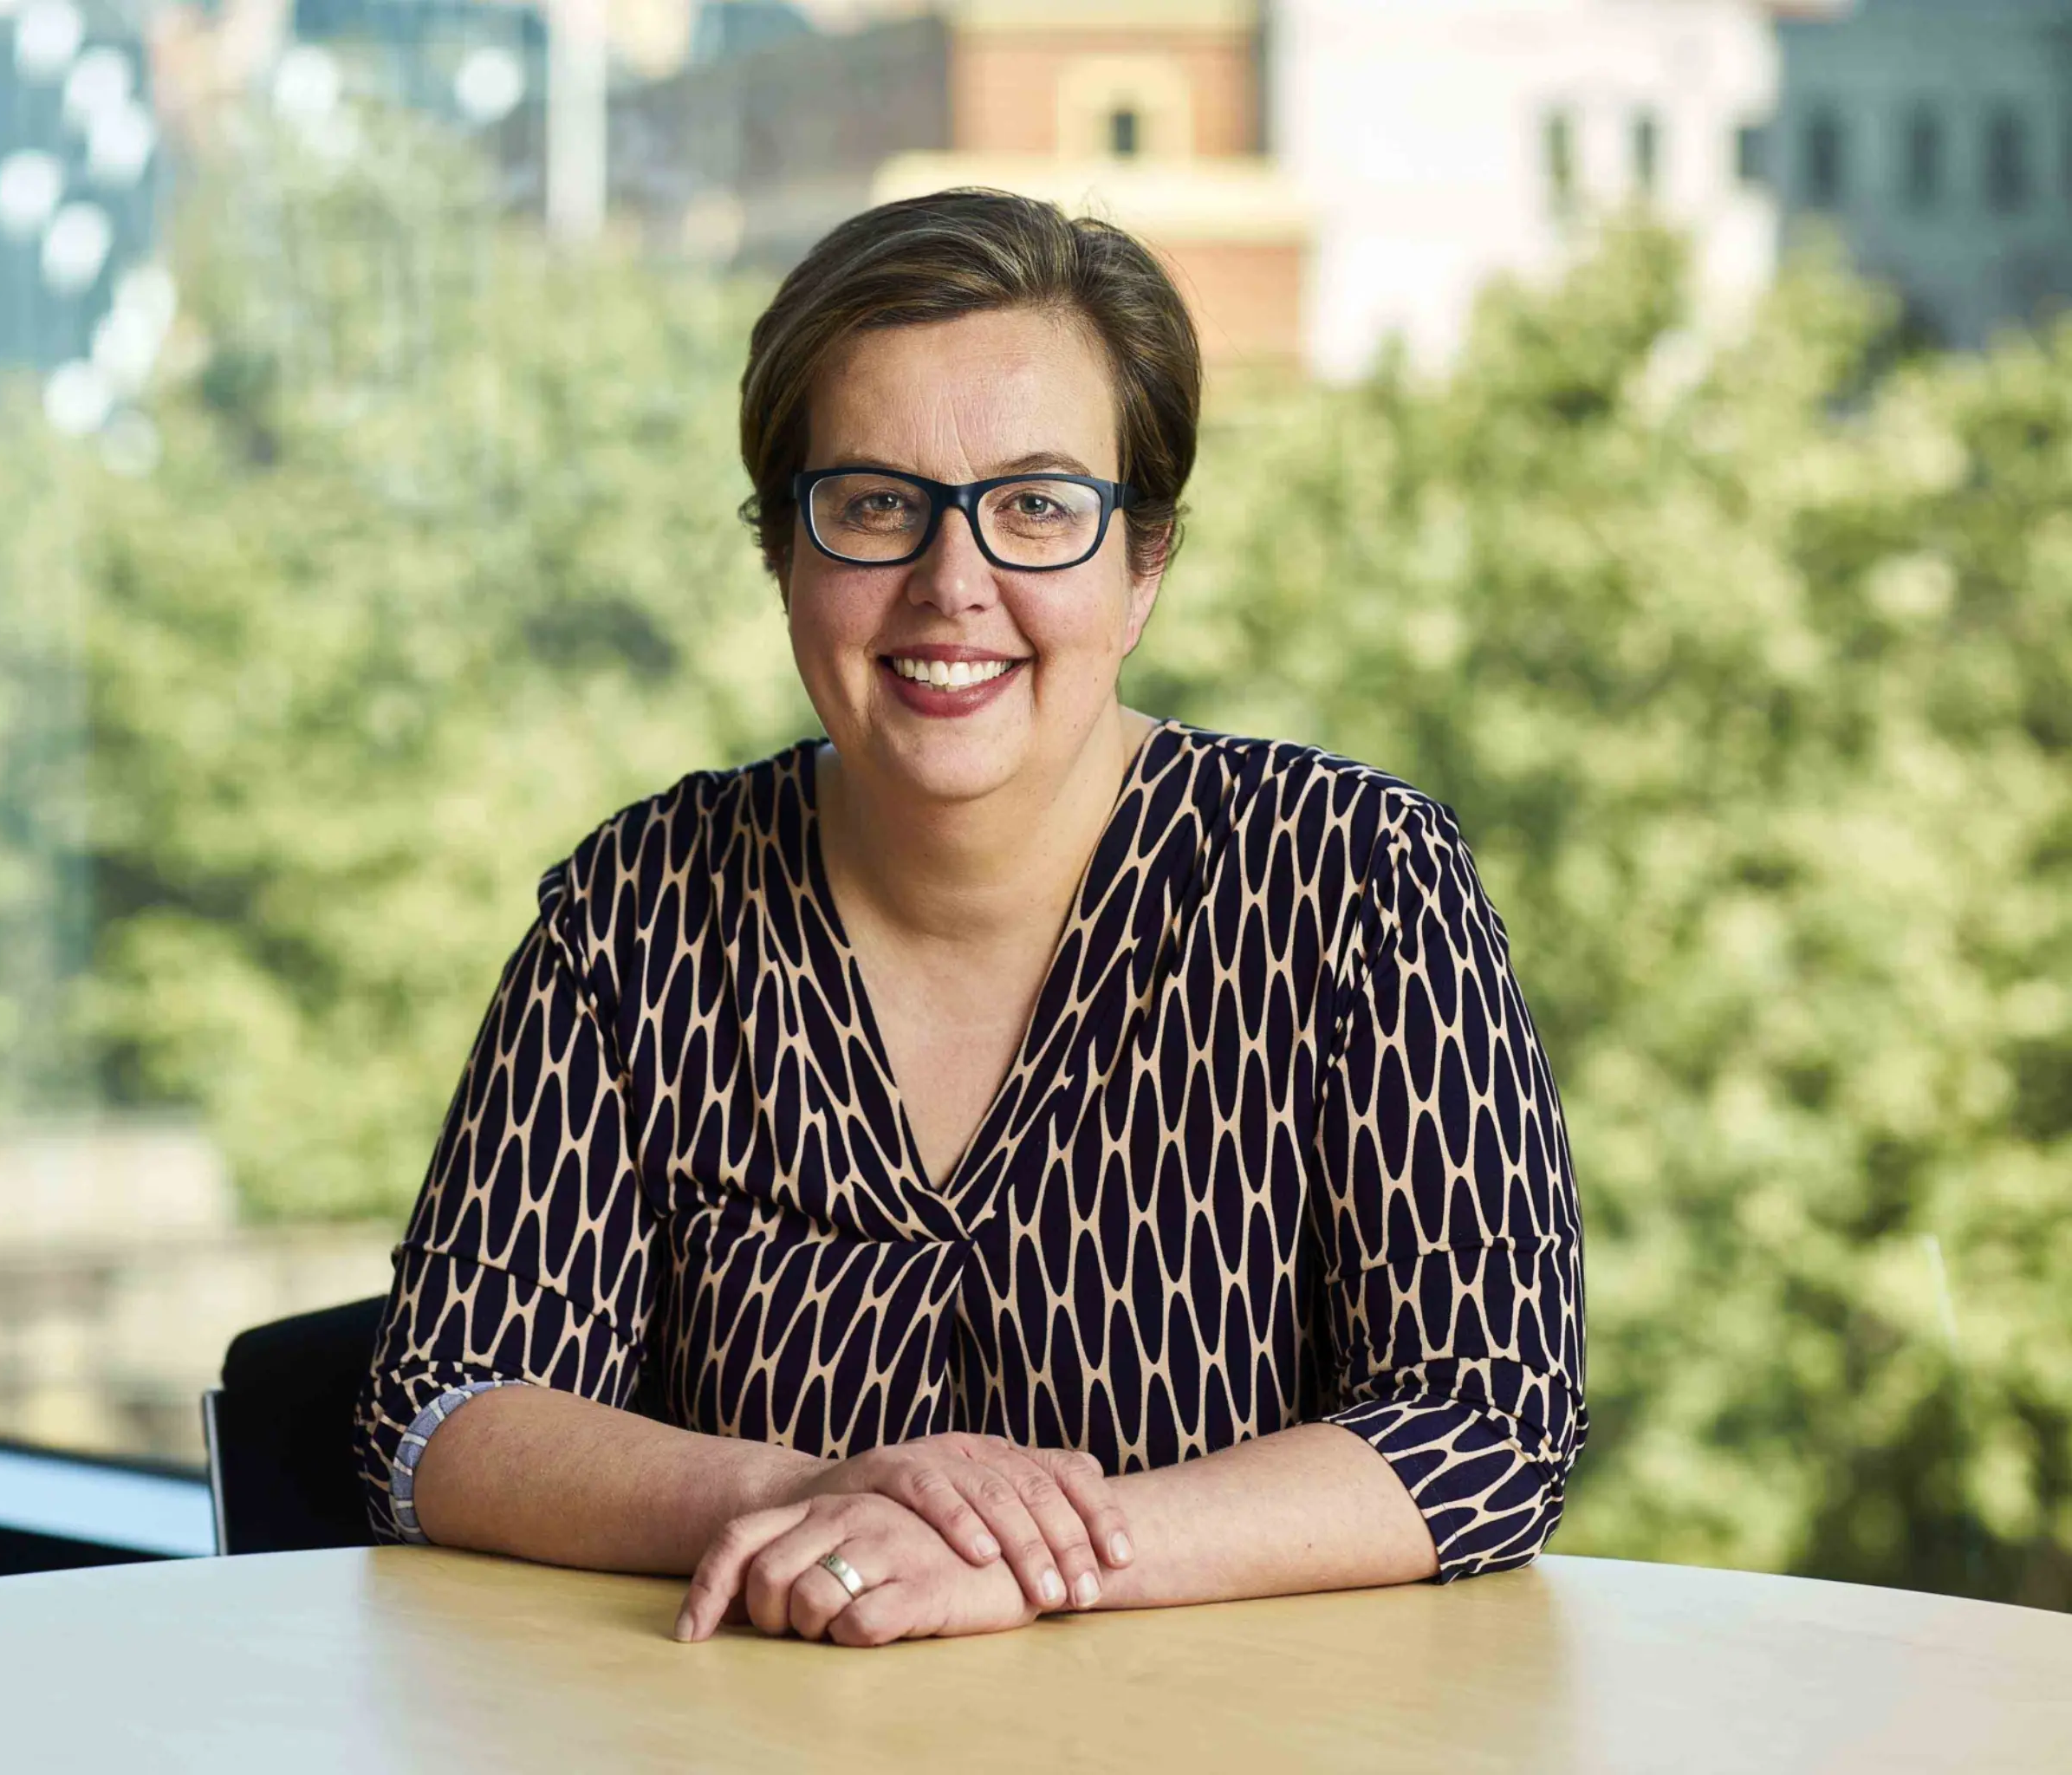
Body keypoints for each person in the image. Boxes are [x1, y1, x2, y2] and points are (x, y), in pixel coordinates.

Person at [354, 189, 1586, 1649]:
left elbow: (1493, 1420)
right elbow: (431, 1414)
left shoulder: (1357, 882)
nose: (954, 586)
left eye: (1038, 508)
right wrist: (830, 1489)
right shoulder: (639, 907)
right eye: (876, 504)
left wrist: (1026, 1560)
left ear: (1143, 567)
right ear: (784, 555)